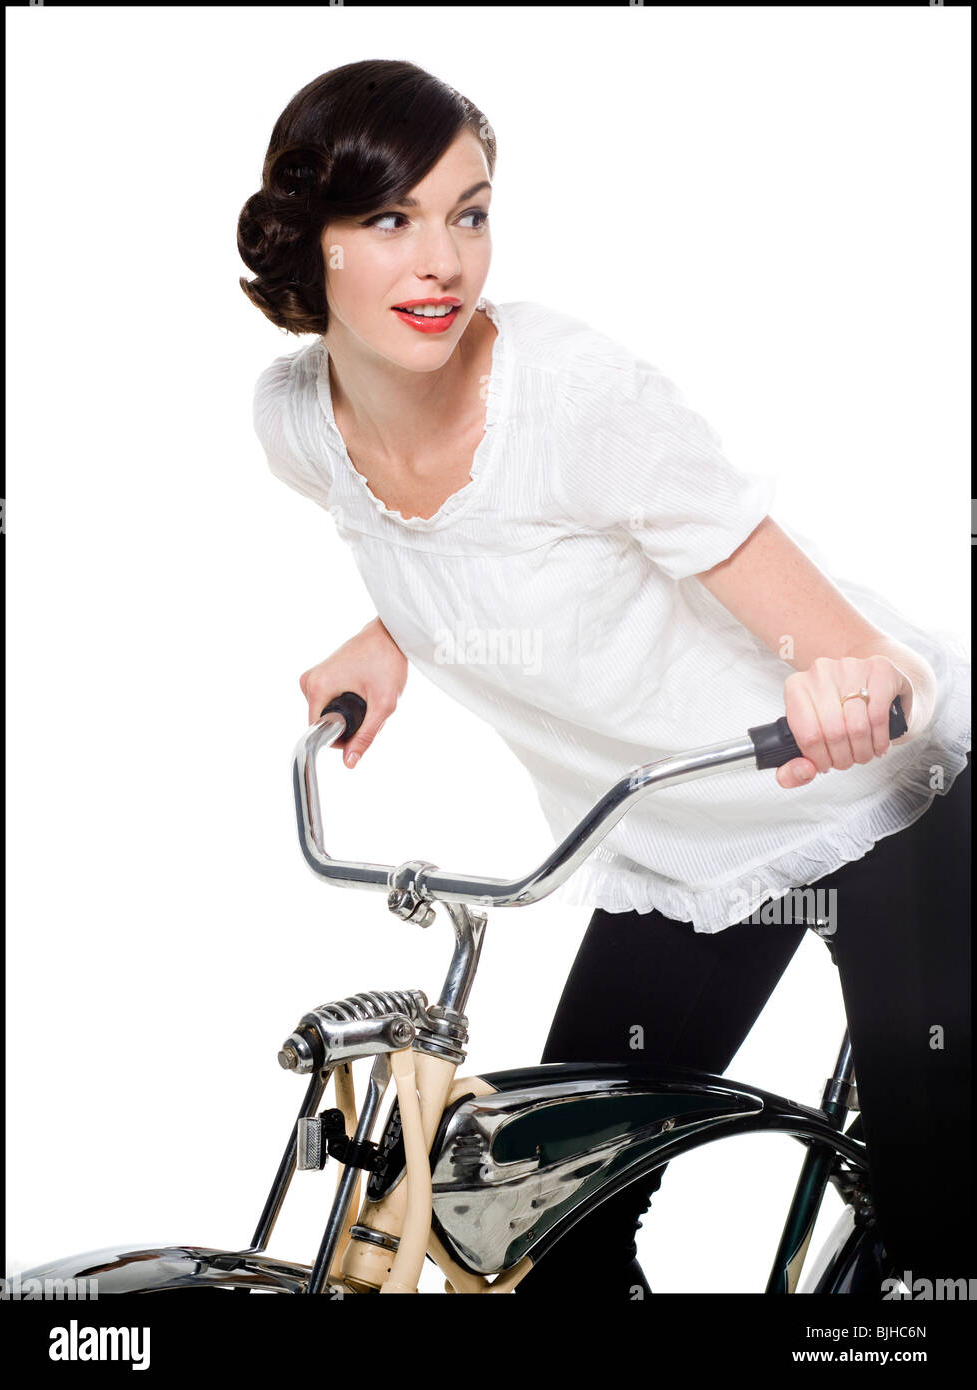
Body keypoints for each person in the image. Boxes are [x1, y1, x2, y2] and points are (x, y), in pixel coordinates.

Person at [240, 59, 972, 1294]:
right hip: (676, 843)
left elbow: (847, 646)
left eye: (469, 212)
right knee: (555, 1229)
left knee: (942, 1203)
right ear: (307, 242)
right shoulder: (298, 424)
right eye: (390, 219)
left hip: (876, 802)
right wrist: (390, 633)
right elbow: (450, 543)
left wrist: (857, 684)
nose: (445, 262)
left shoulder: (574, 396)